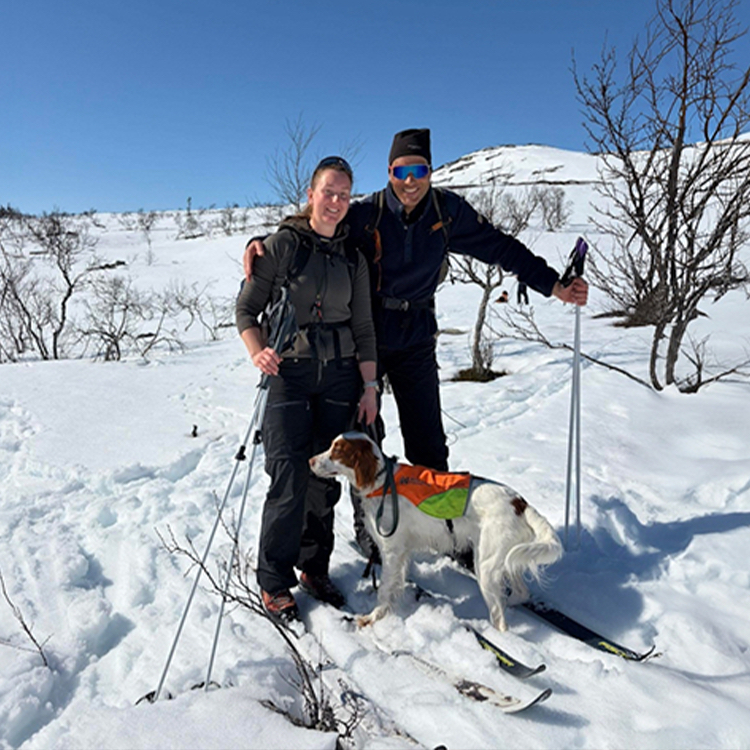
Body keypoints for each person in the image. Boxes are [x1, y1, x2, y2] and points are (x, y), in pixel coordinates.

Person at [244, 129, 588, 560]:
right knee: (363, 442)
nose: (411, 181)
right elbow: (315, 225)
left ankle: (448, 534)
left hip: (416, 337)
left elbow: (500, 247)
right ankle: (373, 535)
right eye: (402, 171)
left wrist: (552, 284)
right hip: (367, 338)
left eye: (420, 170)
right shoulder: (365, 214)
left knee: (428, 444)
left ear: (430, 171)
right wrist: (264, 241)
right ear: (390, 172)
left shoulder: (447, 213)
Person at [236, 156, 378, 623]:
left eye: (344, 194)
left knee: (324, 478)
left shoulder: (353, 258)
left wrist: (370, 385)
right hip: (288, 373)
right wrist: (258, 351)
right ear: (311, 194)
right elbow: (246, 309)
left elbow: (363, 327)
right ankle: (273, 580)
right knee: (287, 474)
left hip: (340, 376)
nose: (336, 201)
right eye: (328, 192)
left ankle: (314, 568)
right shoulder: (282, 246)